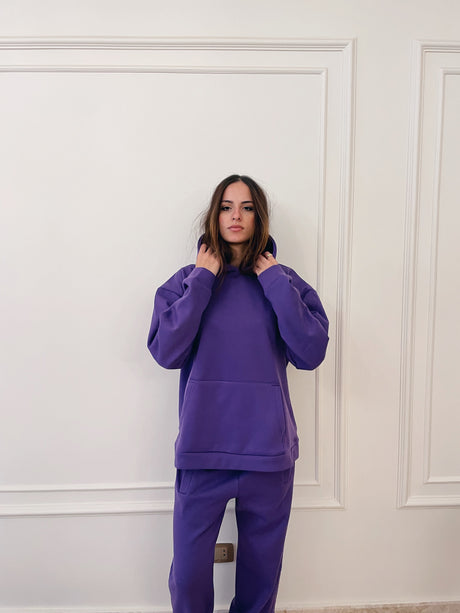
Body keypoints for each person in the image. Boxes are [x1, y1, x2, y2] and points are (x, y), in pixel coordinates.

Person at [147, 174, 329, 613]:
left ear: (259, 217)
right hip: (202, 451)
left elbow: (310, 353)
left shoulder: (284, 282)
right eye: (227, 207)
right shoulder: (187, 282)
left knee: (260, 578)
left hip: (268, 454)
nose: (236, 216)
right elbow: (166, 352)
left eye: (247, 207)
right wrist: (202, 280)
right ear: (214, 215)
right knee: (189, 576)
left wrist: (275, 283)